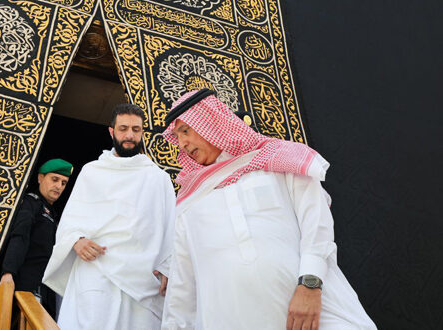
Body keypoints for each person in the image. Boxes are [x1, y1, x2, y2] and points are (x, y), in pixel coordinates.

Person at [160, 89, 376, 330]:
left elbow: (316, 224)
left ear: (210, 121)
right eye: (177, 136)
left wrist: (310, 284)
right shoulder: (190, 200)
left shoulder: (278, 160)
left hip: (309, 312)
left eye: (186, 131)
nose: (182, 143)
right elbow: (182, 286)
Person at [42, 104, 176, 330]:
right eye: (123, 128)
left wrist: (168, 267)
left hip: (142, 281)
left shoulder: (158, 178)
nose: (130, 135)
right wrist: (77, 240)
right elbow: (70, 220)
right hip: (96, 272)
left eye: (136, 129)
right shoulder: (91, 171)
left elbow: (172, 226)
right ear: (111, 132)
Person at [0, 158, 73, 318]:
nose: (59, 186)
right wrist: (8, 273)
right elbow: (20, 237)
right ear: (40, 178)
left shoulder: (54, 215)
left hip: (45, 291)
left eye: (64, 183)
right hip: (25, 289)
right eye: (55, 179)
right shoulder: (30, 203)